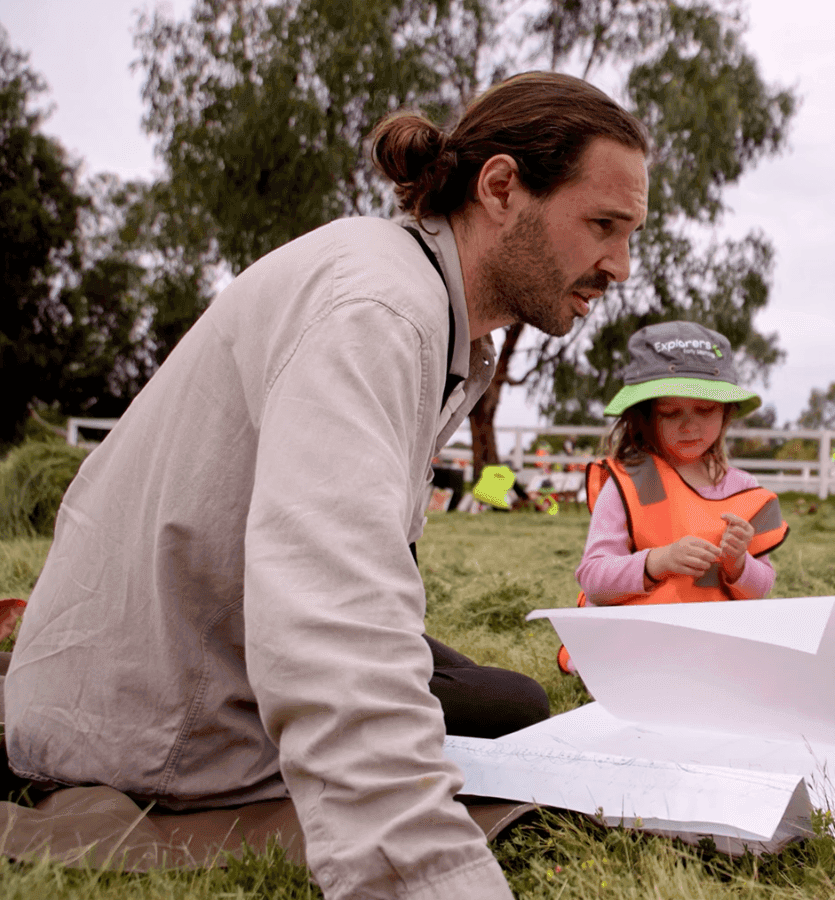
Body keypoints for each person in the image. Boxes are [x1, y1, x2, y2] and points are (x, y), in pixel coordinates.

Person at [2, 72, 650, 899]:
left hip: (193, 620)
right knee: (487, 707)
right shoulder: (379, 310)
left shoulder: (424, 306)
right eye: (604, 225)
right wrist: (428, 871)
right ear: (500, 188)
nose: (620, 265)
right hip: (158, 706)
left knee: (507, 700)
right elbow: (330, 601)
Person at [560, 322, 789, 673]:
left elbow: (761, 588)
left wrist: (738, 564)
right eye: (671, 412)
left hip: (711, 646)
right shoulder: (633, 481)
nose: (689, 426)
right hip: (636, 644)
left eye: (705, 410)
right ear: (646, 417)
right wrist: (658, 561)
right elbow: (593, 579)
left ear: (726, 414)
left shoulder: (744, 489)